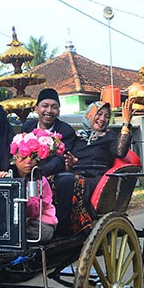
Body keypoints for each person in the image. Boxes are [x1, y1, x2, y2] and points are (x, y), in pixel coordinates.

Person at [52, 99, 134, 236]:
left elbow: (120, 152)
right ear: (89, 114)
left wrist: (126, 123)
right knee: (53, 179)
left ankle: (70, 228)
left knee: (72, 181)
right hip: (74, 173)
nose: (102, 119)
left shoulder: (109, 137)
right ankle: (52, 223)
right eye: (99, 114)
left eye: (107, 116)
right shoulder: (76, 137)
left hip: (96, 177)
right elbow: (67, 160)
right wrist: (71, 164)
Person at [8, 129, 61, 242]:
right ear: (15, 159)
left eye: (32, 158)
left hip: (39, 221)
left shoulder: (40, 180)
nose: (28, 162)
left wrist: (24, 198)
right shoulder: (10, 176)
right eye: (23, 157)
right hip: (17, 220)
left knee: (44, 233)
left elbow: (34, 211)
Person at [21, 88, 77, 177]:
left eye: (54, 107)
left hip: (52, 174)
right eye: (45, 106)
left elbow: (60, 158)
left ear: (58, 111)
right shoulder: (28, 127)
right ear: (36, 109)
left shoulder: (66, 131)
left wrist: (39, 172)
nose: (49, 110)